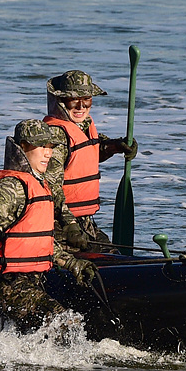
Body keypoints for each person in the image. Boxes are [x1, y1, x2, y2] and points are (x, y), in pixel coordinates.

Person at [0, 119, 99, 333]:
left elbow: (43, 243)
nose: (48, 153)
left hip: (30, 279)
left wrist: (74, 264)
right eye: (42, 147)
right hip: (7, 281)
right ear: (23, 148)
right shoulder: (12, 185)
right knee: (65, 323)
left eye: (51, 147)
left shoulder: (40, 185)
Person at [43, 70, 138, 250]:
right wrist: (69, 224)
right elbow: (50, 187)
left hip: (84, 222)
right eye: (74, 99)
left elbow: (89, 150)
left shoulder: (83, 125)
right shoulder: (54, 135)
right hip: (58, 224)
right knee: (101, 265)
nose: (81, 106)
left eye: (86, 98)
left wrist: (116, 146)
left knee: (113, 255)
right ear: (61, 100)